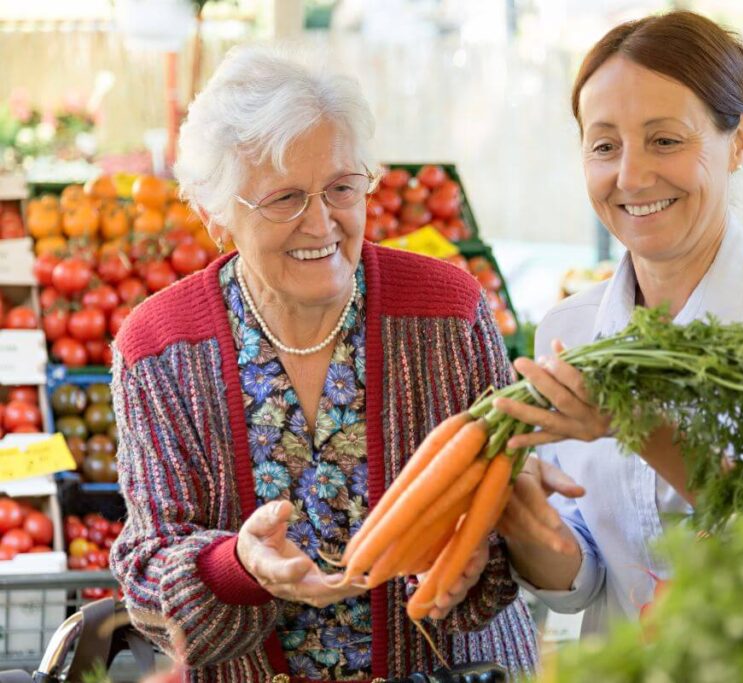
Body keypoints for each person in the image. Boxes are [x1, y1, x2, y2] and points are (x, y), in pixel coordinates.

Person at [109, 45, 537, 681]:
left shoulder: (447, 313)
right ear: (216, 211)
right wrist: (240, 566)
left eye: (341, 187)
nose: (321, 223)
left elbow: (512, 500)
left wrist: (476, 554)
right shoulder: (160, 347)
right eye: (284, 198)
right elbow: (147, 573)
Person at [494, 10, 743, 636]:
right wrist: (522, 517)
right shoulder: (571, 328)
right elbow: (584, 577)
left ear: (741, 139)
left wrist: (634, 422)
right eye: (604, 146)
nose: (631, 176)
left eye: (666, 140)